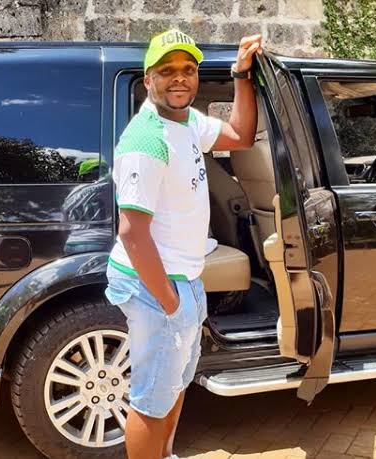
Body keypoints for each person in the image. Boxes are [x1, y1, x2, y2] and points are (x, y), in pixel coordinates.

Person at [105, 29, 262, 459]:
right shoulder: (146, 138)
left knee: (173, 384)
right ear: (149, 79)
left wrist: (241, 75)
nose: (180, 78)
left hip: (184, 278)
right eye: (167, 70)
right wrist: (170, 303)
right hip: (156, 286)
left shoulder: (188, 122)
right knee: (151, 400)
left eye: (188, 69)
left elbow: (240, 135)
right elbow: (132, 232)